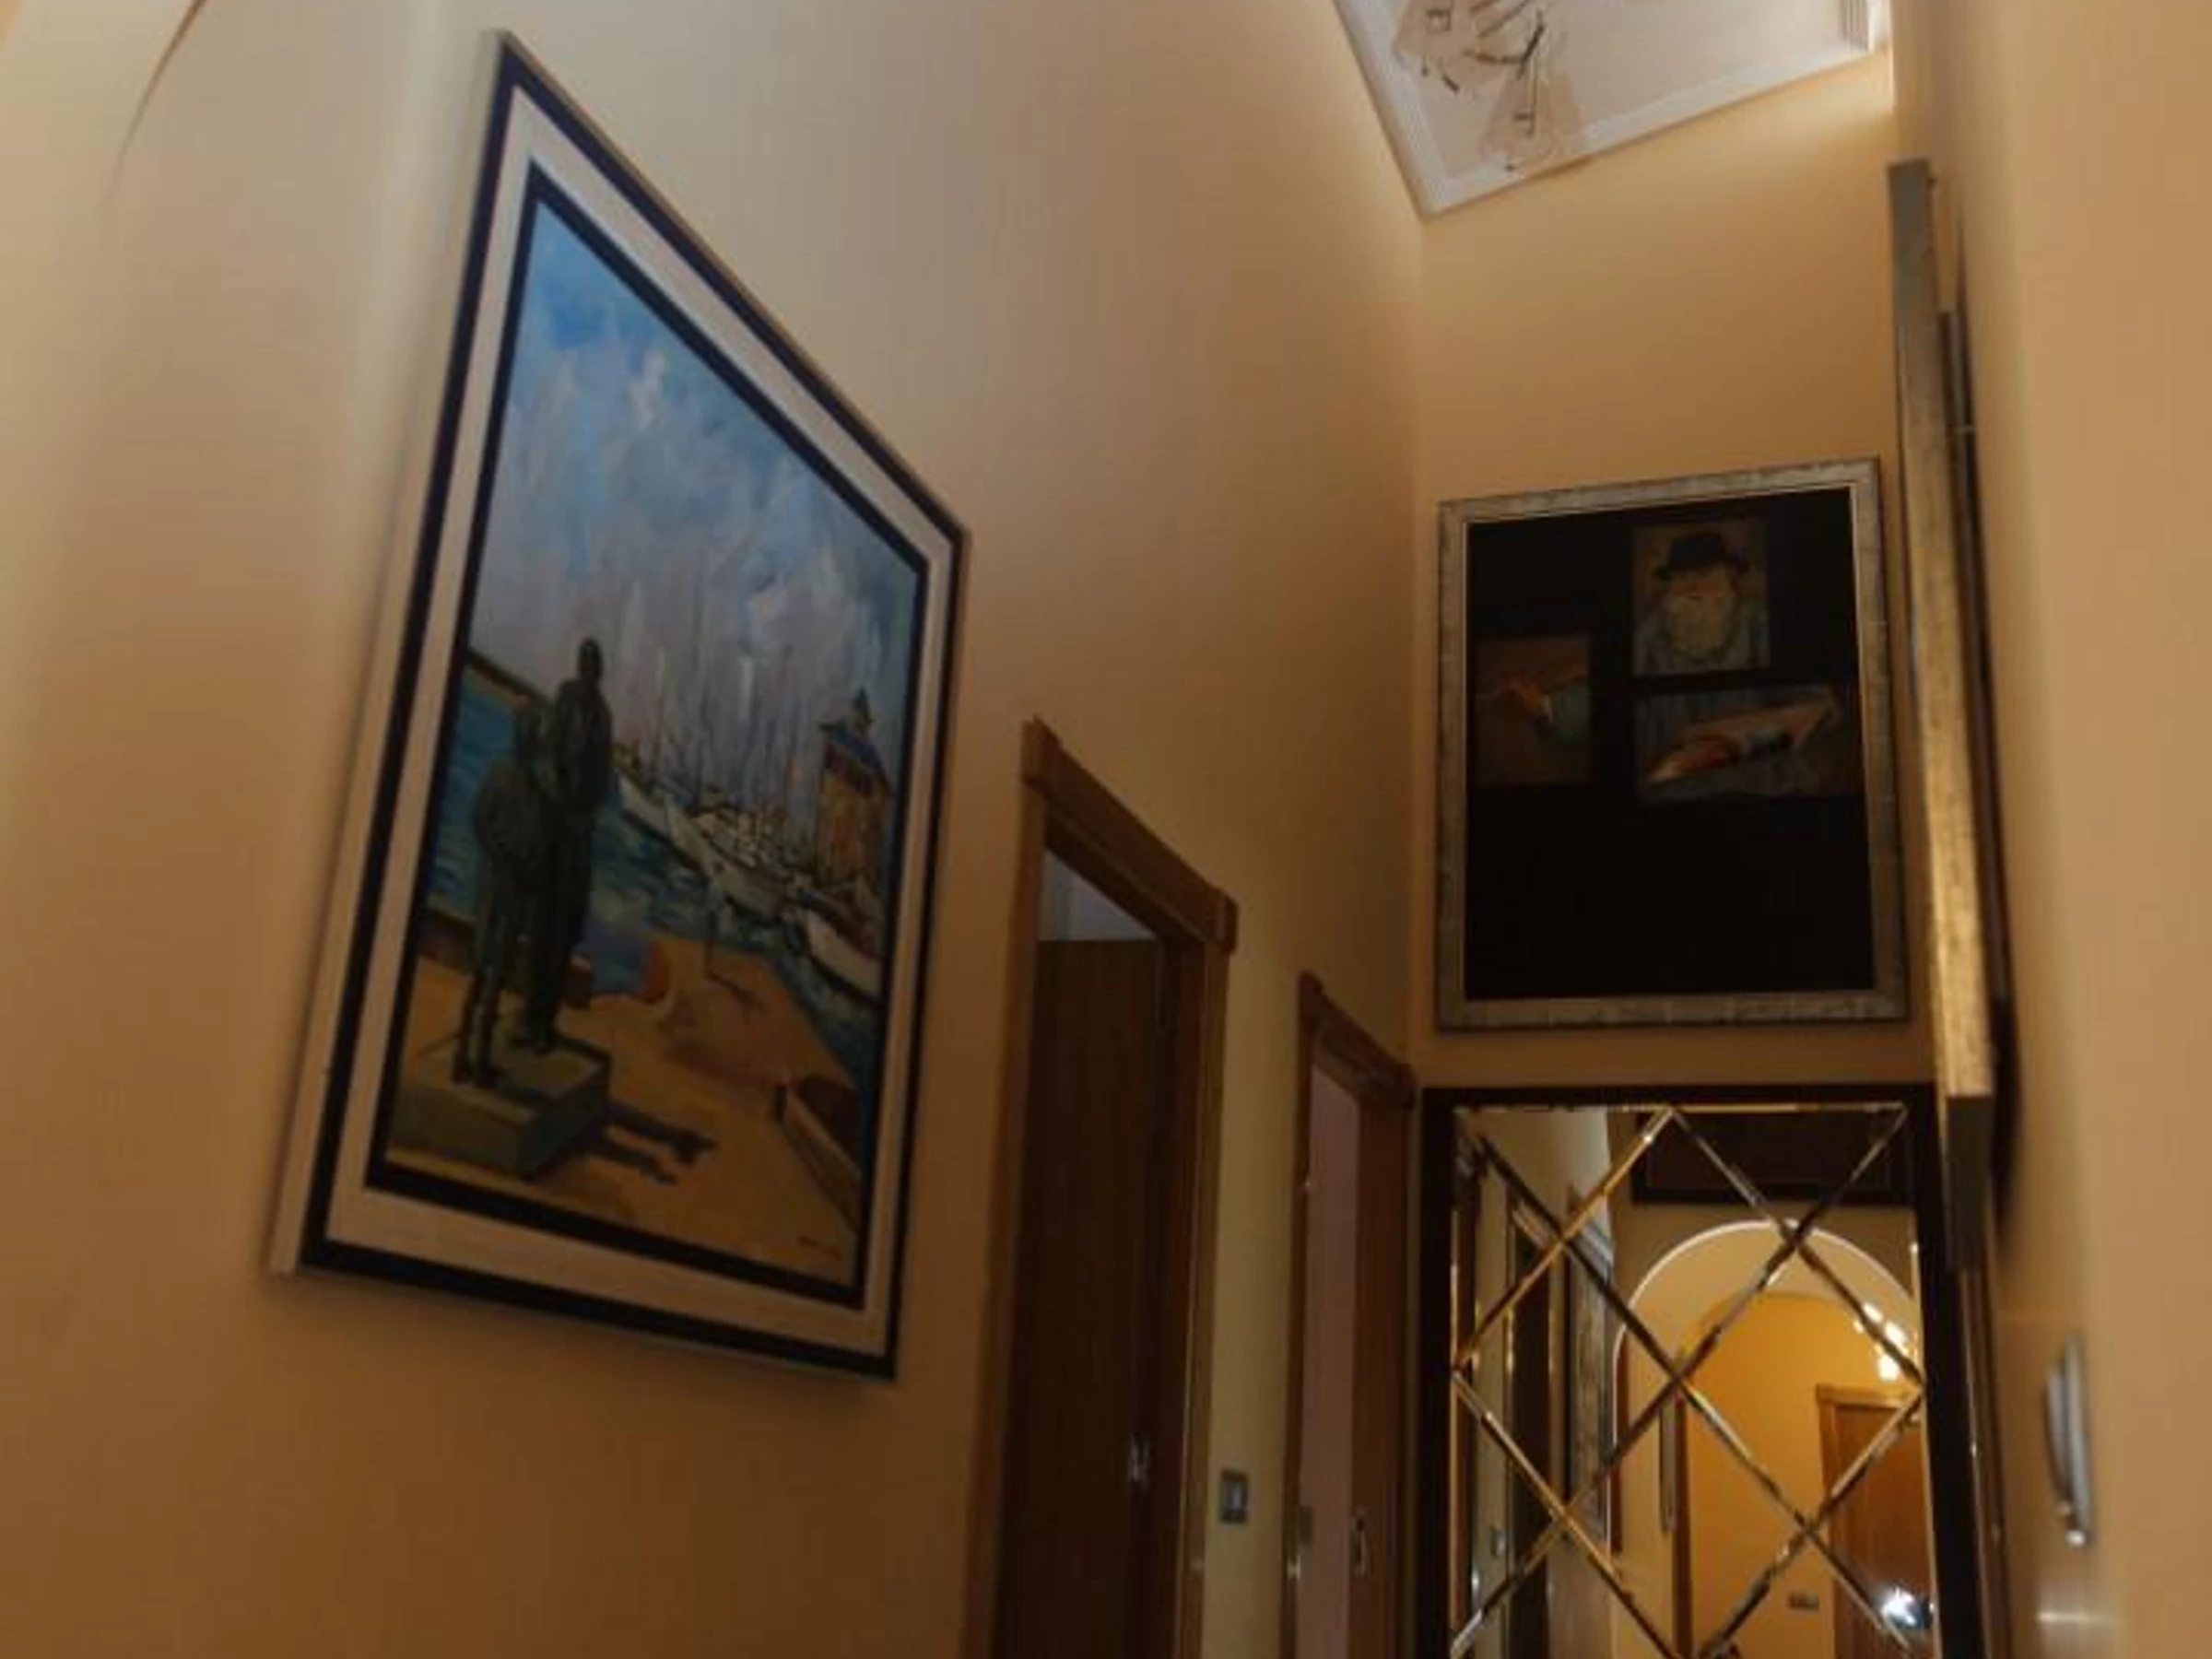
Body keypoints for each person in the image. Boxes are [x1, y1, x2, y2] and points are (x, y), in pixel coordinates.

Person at [455, 701, 550, 1086]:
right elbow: (482, 823)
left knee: (487, 974)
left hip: (502, 887)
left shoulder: (513, 779)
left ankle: (470, 1057)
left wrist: (515, 864)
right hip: (502, 888)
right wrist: (511, 861)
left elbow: (483, 823)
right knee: (487, 974)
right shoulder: (522, 784)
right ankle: (472, 1059)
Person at [526, 637, 614, 1051]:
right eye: (585, 663)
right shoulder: (565, 698)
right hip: (556, 830)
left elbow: (602, 774)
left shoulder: (604, 714)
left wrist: (586, 813)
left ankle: (547, 1018)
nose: (588, 671)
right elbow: (548, 755)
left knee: (566, 930)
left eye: (593, 664)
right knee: (543, 925)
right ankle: (532, 1016)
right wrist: (557, 801)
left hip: (579, 835)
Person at [1633, 530, 1768, 677]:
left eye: (1704, 574)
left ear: (1728, 575)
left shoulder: (1756, 621)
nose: (1693, 586)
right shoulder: (1651, 630)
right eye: (1682, 577)